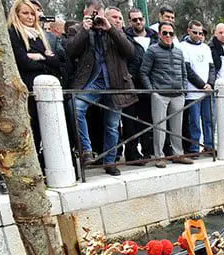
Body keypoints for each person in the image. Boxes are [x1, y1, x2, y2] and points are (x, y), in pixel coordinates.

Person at [65, 0, 137, 176]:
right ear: (85, 13)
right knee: (76, 107)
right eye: (93, 14)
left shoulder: (115, 31)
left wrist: (110, 29)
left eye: (100, 14)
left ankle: (110, 161)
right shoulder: (77, 29)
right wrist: (85, 29)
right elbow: (71, 52)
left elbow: (130, 52)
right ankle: (86, 151)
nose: (97, 18)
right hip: (91, 82)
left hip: (115, 83)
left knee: (112, 125)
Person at [8, 0, 61, 160]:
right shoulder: (13, 33)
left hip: (47, 88)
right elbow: (23, 62)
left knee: (50, 129)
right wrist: (45, 59)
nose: (30, 17)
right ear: (16, 14)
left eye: (32, 13)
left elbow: (57, 62)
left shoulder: (40, 35)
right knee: (33, 129)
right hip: (28, 89)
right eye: (25, 13)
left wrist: (39, 58)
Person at [140, 21, 193, 168]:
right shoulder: (152, 51)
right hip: (160, 95)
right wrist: (153, 92)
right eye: (165, 33)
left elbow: (184, 72)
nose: (168, 36)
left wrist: (182, 90)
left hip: (177, 95)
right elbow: (144, 72)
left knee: (177, 127)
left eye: (171, 33)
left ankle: (178, 154)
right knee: (160, 127)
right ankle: (159, 156)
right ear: (159, 34)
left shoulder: (179, 51)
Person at [123, 7, 156, 163]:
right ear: (130, 21)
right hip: (131, 83)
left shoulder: (154, 37)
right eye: (134, 19)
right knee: (130, 120)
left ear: (144, 19)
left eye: (140, 19)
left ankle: (148, 150)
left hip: (149, 83)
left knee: (147, 118)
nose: (138, 22)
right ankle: (132, 152)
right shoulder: (125, 37)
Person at [179, 20, 214, 153]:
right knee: (194, 122)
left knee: (208, 121)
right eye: (195, 32)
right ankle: (194, 148)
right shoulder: (182, 46)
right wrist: (202, 85)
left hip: (207, 92)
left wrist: (210, 84)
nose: (198, 35)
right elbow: (187, 70)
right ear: (189, 31)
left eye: (200, 33)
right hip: (193, 92)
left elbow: (212, 68)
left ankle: (209, 146)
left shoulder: (206, 47)